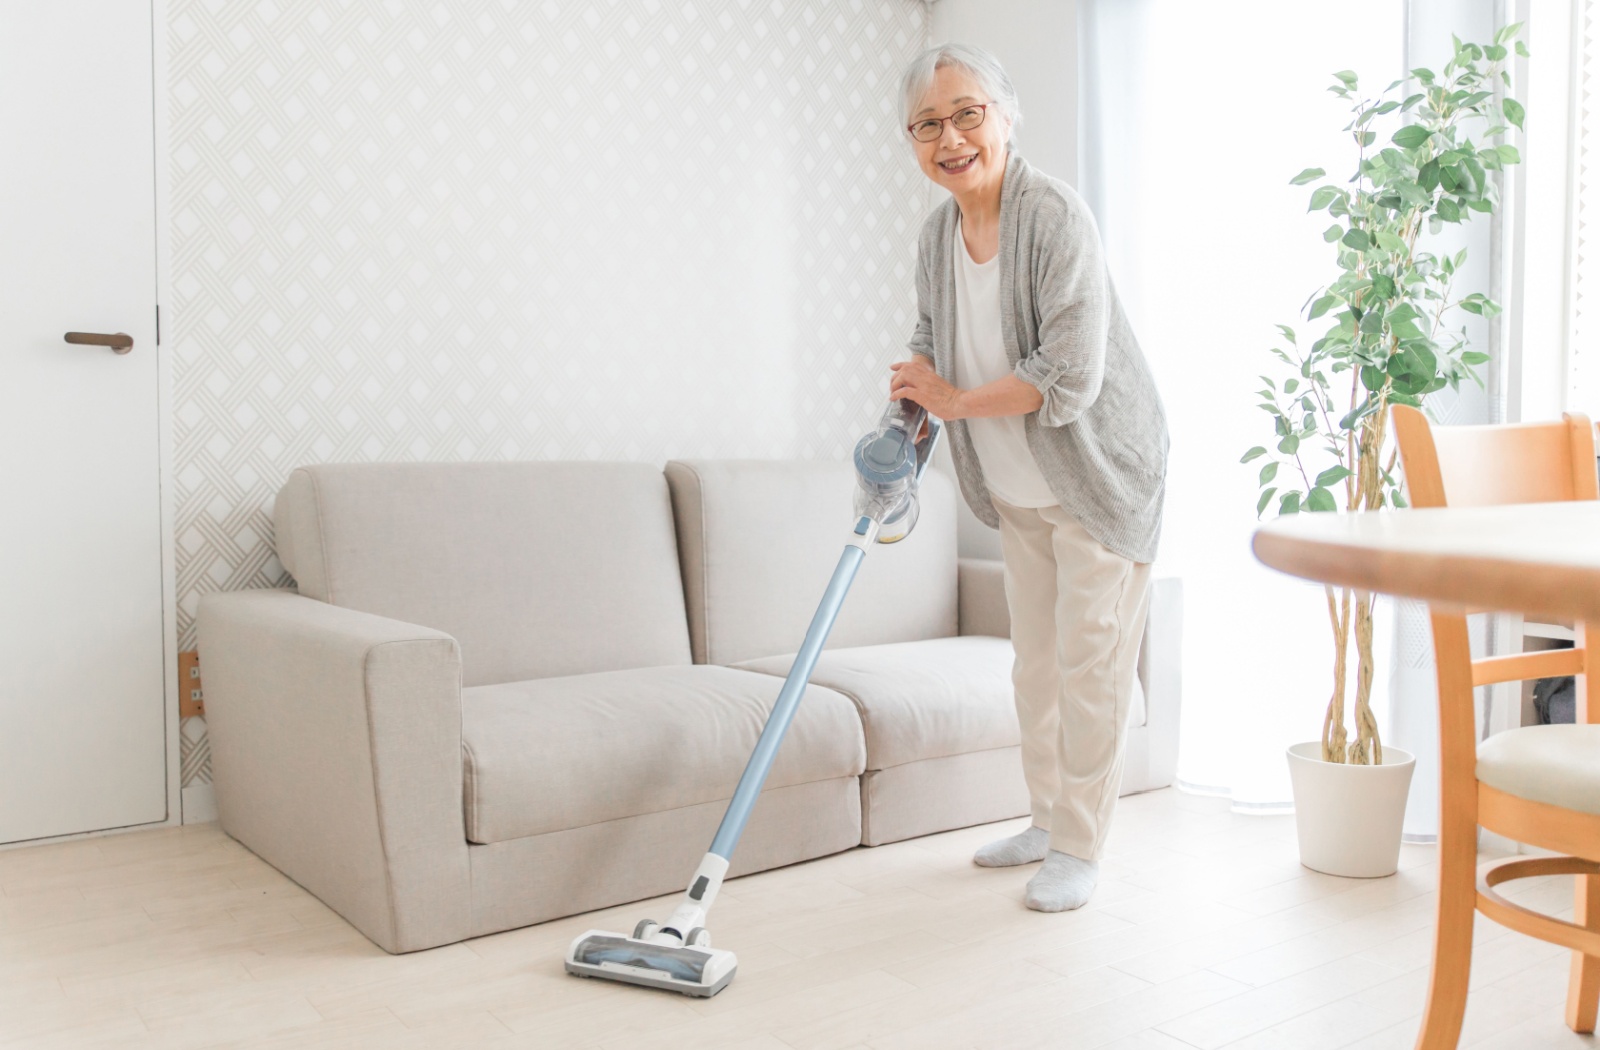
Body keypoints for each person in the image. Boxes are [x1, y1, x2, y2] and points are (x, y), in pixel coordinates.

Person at [889, 43, 1168, 912]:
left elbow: (1069, 375)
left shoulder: (1054, 217)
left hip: (1097, 477)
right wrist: (913, 393)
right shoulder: (939, 234)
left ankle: (1081, 847)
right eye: (928, 124)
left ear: (1007, 117)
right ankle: (1048, 822)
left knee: (1091, 665)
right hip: (1017, 488)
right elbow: (932, 333)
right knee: (1036, 668)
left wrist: (955, 399)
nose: (951, 137)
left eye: (968, 113)